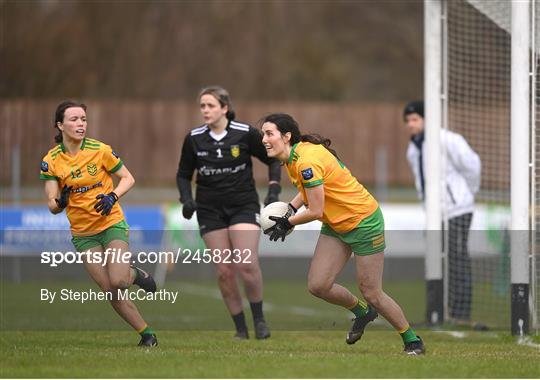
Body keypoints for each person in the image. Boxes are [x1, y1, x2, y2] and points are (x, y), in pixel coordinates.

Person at [260, 113, 425, 355]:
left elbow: (315, 210)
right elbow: (310, 194)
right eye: (263, 134)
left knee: (372, 292)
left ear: (286, 136)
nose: (264, 139)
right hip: (336, 224)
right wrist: (292, 209)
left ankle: (412, 340)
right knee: (318, 285)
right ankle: (362, 312)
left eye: (269, 133)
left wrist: (287, 222)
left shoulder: (306, 161)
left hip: (363, 222)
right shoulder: (294, 156)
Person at [40, 100, 158, 347]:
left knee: (118, 280)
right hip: (83, 234)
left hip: (110, 223)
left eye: (83, 119)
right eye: (74, 119)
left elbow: (128, 178)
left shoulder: (100, 149)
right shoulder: (51, 160)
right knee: (110, 290)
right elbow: (52, 205)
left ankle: (135, 274)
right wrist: (60, 202)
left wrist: (113, 196)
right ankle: (147, 336)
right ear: (60, 125)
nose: (80, 124)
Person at [176, 86, 281, 339]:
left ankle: (260, 320)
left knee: (246, 263)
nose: (205, 110)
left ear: (225, 108)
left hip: (242, 205)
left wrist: (274, 190)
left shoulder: (245, 134)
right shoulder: (194, 138)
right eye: (202, 106)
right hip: (210, 209)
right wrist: (187, 200)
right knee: (224, 270)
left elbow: (274, 159)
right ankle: (240, 329)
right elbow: (183, 174)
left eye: (210, 105)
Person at [403, 100, 481, 324]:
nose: (411, 124)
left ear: (427, 119)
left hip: (457, 209)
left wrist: (465, 194)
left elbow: (472, 165)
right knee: (434, 260)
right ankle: (435, 313)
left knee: (457, 259)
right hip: (434, 214)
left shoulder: (448, 139)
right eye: (408, 121)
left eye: (415, 119)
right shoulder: (413, 148)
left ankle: (460, 314)